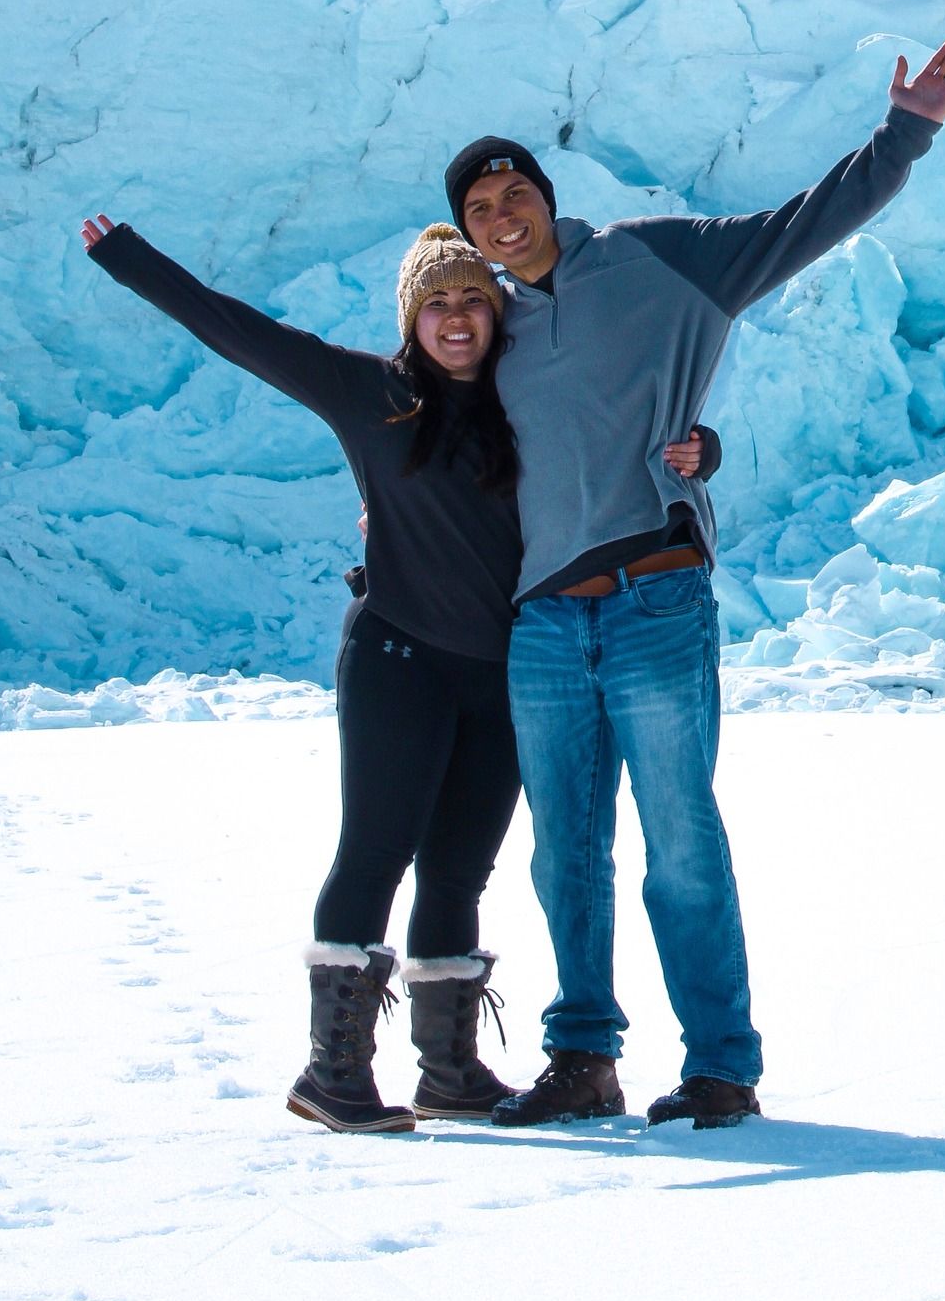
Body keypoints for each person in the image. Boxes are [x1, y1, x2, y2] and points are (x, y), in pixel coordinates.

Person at [79, 207, 720, 1133]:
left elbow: (626, 424)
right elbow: (238, 331)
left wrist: (706, 447)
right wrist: (128, 257)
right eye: (437, 303)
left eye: (474, 300)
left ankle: (448, 1071)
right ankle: (332, 1072)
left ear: (496, 314)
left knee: (458, 871)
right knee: (376, 851)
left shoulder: (524, 395)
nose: (457, 317)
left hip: (499, 671)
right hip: (398, 657)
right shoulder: (367, 391)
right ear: (411, 318)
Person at [447, 33, 945, 1132]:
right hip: (544, 622)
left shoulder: (658, 260)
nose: (502, 216)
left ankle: (722, 1065)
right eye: (480, 209)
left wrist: (905, 133)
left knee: (681, 842)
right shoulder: (489, 330)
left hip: (655, 597)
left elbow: (803, 224)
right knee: (564, 855)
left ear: (546, 197)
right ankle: (581, 1056)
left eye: (515, 193)